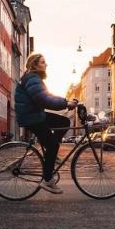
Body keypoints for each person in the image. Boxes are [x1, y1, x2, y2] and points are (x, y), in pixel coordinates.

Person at [15, 53, 77, 194]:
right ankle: (47, 180)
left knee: (64, 121)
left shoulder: (34, 78)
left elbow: (48, 95)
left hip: (35, 114)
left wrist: (66, 101)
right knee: (53, 144)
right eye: (43, 62)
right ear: (35, 65)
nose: (46, 64)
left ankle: (51, 154)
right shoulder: (32, 79)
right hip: (31, 117)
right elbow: (44, 99)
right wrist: (66, 104)